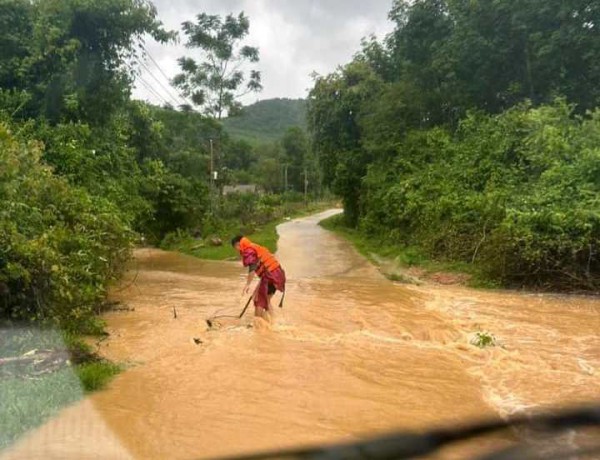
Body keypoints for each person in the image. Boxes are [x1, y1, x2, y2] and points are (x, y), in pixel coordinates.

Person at [231, 235, 286, 320]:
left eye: (236, 248)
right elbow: (264, 269)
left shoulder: (248, 250)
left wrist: (247, 284)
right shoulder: (253, 246)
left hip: (270, 275)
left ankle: (256, 325)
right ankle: (273, 321)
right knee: (265, 299)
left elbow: (252, 268)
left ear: (238, 244)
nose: (237, 251)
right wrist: (256, 290)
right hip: (277, 274)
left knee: (258, 300)